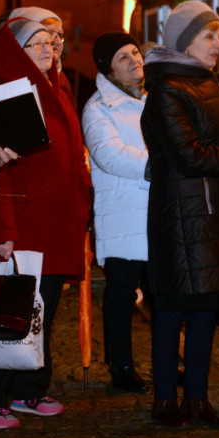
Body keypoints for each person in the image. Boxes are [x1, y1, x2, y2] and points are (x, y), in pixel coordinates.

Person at [139, 0, 219, 429]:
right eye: (208, 36)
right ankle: (164, 401)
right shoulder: (167, 89)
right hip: (181, 215)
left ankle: (197, 399)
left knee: (206, 311)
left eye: (218, 36)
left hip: (213, 211)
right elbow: (188, 154)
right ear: (183, 41)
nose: (218, 44)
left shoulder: (209, 83)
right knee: (172, 312)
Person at [0, 17, 92, 428]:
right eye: (36, 43)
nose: (48, 48)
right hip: (21, 223)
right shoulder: (0, 94)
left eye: (52, 41)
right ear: (15, 49)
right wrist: (2, 232)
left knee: (42, 313)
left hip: (55, 222)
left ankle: (28, 390)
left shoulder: (57, 89)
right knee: (10, 314)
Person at [81, 32, 150, 394]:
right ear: (108, 68)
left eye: (135, 52)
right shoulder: (98, 108)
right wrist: (160, 165)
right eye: (123, 57)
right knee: (122, 293)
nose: (133, 60)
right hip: (124, 213)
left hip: (157, 211)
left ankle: (169, 360)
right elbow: (108, 154)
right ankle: (120, 364)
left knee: (162, 293)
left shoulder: (153, 99)